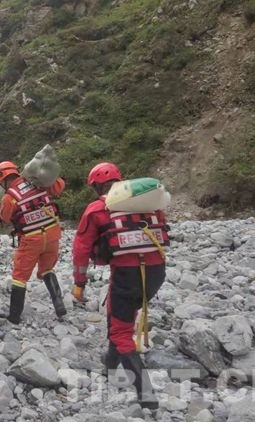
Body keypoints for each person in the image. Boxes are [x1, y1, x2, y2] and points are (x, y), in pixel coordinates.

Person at [71, 162, 168, 410]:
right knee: (119, 315)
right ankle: (111, 365)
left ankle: (146, 395)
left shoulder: (97, 209)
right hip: (156, 272)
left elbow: (81, 249)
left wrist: (79, 282)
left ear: (97, 186)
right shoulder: (146, 204)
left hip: (126, 274)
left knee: (121, 332)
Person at [0, 161, 67, 323]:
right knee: (47, 269)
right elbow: (59, 186)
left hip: (31, 239)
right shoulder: (38, 183)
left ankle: (14, 316)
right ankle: (59, 305)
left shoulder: (10, 197)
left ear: (2, 179)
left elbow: (5, 217)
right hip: (53, 234)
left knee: (19, 276)